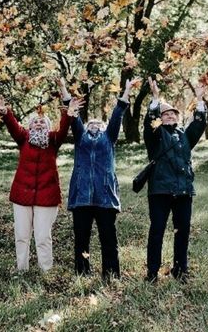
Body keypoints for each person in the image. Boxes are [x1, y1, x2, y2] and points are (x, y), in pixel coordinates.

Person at [59, 77, 140, 281]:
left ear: (104, 127)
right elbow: (73, 116)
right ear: (86, 127)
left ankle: (111, 275)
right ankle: (82, 273)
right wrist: (63, 89)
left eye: (98, 123)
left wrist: (127, 90)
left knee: (108, 239)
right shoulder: (80, 137)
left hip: (105, 196)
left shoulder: (109, 137)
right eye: (91, 122)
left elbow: (117, 115)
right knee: (81, 238)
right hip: (82, 196)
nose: (95, 124)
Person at [0, 95, 83, 272]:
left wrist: (69, 113)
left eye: (43, 122)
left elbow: (64, 129)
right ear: (29, 126)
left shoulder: (53, 141)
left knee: (42, 236)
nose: (39, 124)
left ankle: (46, 270)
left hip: (46, 196)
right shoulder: (23, 138)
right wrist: (5, 113)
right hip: (22, 195)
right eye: (35, 122)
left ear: (48, 128)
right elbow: (13, 126)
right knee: (22, 236)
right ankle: (22, 269)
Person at [143, 77, 207, 282]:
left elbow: (198, 124)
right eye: (165, 114)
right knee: (157, 232)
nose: (169, 116)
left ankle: (180, 270)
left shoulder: (185, 135)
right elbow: (149, 121)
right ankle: (152, 273)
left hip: (184, 191)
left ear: (178, 118)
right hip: (160, 191)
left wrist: (199, 99)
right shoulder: (154, 135)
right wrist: (155, 98)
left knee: (182, 232)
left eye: (173, 113)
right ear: (160, 118)